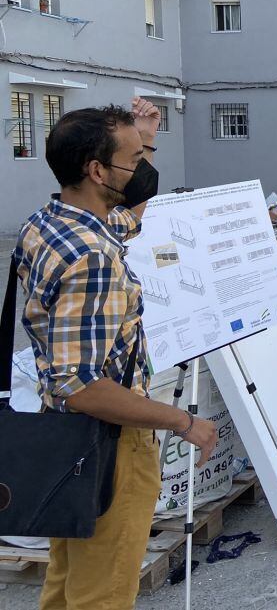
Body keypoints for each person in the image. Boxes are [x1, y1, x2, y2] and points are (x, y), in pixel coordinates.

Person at [14, 100, 218, 610]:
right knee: (102, 595)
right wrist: (181, 420)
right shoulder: (93, 258)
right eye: (132, 159)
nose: (141, 169)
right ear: (97, 170)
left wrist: (144, 137)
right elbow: (80, 385)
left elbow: (132, 215)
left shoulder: (51, 223)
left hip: (62, 438)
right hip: (109, 445)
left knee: (68, 583)